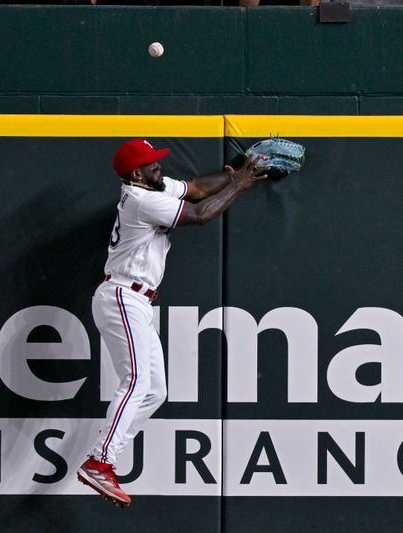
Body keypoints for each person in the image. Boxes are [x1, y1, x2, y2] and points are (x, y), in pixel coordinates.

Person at [76, 138, 267, 508]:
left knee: (155, 391)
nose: (158, 167)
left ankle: (105, 456)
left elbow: (195, 189)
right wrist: (239, 185)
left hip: (137, 301)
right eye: (151, 164)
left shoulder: (152, 186)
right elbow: (199, 213)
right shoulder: (142, 199)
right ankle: (101, 461)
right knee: (136, 381)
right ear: (136, 173)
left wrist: (243, 163)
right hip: (122, 297)